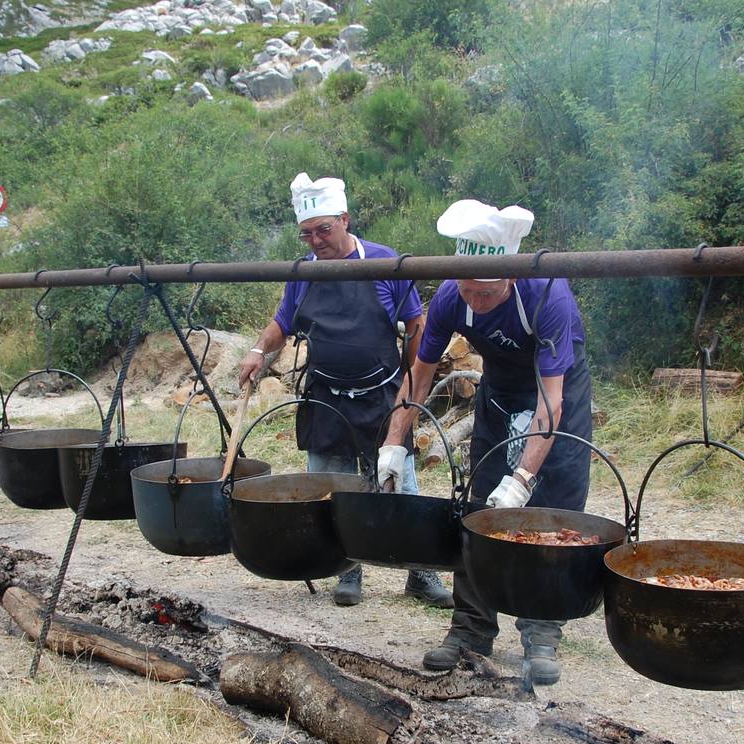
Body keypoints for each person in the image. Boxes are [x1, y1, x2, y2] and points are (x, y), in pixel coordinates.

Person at [378, 199, 593, 686]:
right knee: (477, 512)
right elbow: (419, 375)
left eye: (486, 292)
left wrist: (522, 478)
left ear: (511, 277)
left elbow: (550, 401)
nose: (474, 300)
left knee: (551, 512)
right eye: (467, 289)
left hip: (558, 396)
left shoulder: (547, 295)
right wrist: (393, 442)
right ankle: (470, 629)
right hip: (499, 396)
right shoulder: (453, 298)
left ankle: (541, 631)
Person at [237, 172, 453, 609]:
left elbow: (416, 324)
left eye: (323, 229)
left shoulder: (383, 262)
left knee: (400, 485)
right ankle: (347, 569)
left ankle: (420, 572)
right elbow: (283, 323)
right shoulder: (302, 275)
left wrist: (413, 376)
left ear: (345, 220)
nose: (315, 240)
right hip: (326, 397)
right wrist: (259, 349)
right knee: (334, 490)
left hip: (381, 395)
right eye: (306, 234)